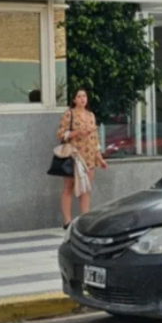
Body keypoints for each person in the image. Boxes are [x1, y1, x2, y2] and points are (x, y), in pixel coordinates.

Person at [56, 88, 108, 228]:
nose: (82, 99)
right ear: (74, 100)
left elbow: (95, 139)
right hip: (74, 156)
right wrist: (76, 132)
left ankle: (84, 219)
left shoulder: (91, 115)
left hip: (89, 157)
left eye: (84, 96)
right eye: (79, 96)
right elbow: (61, 134)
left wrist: (100, 157)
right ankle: (67, 221)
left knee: (85, 189)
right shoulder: (69, 114)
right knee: (69, 187)